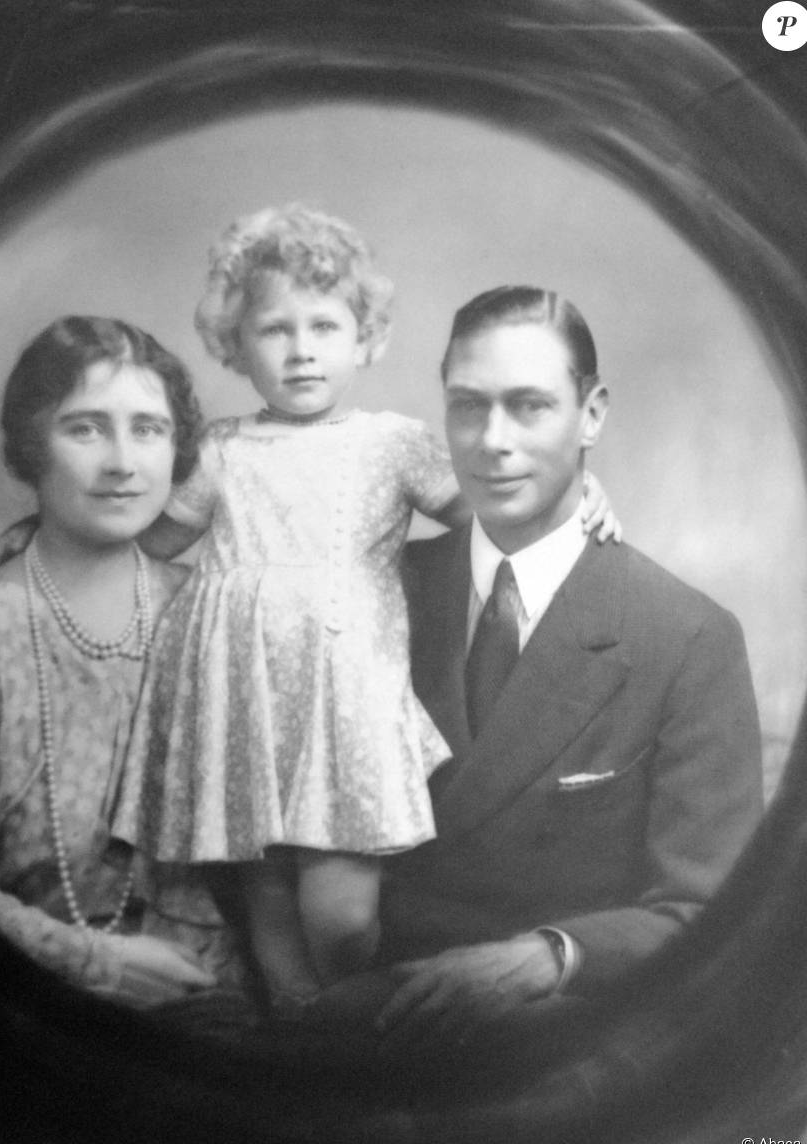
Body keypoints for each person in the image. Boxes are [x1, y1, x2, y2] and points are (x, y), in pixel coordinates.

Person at [109, 207, 620, 1014]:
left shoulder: (391, 442)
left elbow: (496, 512)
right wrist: (52, 538)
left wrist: (579, 491)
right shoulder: (222, 449)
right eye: (273, 329)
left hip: (343, 702)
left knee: (342, 916)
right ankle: (309, 1056)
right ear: (235, 345)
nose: (301, 348)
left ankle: (358, 1021)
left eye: (323, 325)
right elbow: (150, 541)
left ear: (364, 338)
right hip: (242, 699)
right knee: (269, 900)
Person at [351, 285, 764, 1052]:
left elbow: (705, 905)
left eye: (529, 406)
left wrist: (548, 955)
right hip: (370, 1013)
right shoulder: (374, 591)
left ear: (593, 415)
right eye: (467, 406)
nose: (491, 440)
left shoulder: (687, 635)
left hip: (562, 1034)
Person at [0, 316, 241, 1009]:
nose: (122, 463)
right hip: (27, 1018)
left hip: (226, 1024)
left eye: (148, 429)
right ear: (32, 446)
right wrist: (90, 961)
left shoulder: (213, 613)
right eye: (85, 428)